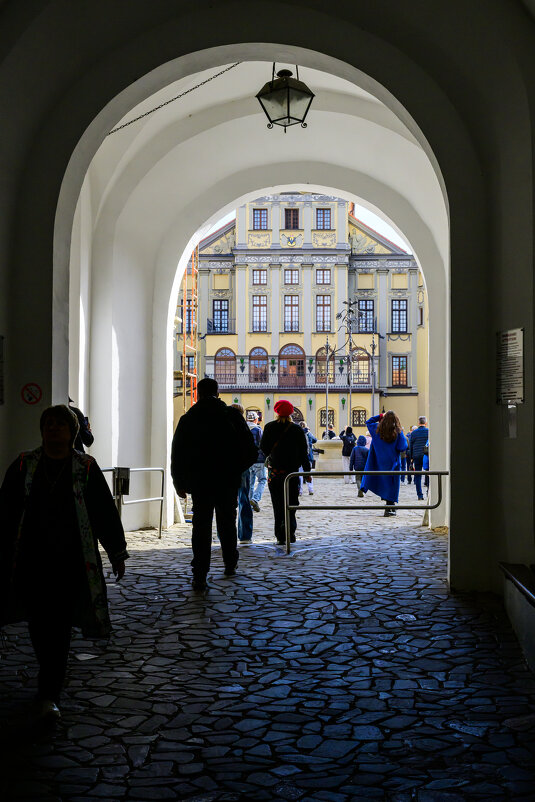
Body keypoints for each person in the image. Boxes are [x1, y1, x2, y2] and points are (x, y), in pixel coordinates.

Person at [0, 405, 128, 721]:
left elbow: (102, 511)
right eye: (49, 424)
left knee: (57, 625)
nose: (54, 429)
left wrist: (116, 550)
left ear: (72, 431)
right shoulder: (23, 465)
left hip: (70, 561)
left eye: (60, 424)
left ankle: (49, 692)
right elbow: (5, 510)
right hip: (31, 559)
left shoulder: (85, 467)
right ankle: (48, 676)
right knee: (39, 623)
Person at [171, 378, 256, 590]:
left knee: (201, 525)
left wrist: (179, 481)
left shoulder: (189, 419)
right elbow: (250, 451)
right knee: (227, 522)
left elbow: (177, 453)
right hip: (226, 480)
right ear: (218, 393)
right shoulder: (232, 416)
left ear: (198, 393)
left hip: (200, 482)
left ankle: (199, 572)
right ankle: (230, 562)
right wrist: (235, 468)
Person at [260, 400, 311, 545]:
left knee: (277, 505)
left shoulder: (269, 427)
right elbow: (303, 453)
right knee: (292, 503)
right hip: (291, 474)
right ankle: (290, 532)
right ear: (291, 413)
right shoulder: (297, 430)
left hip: (275, 473)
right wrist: (307, 472)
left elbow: (263, 447)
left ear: (276, 412)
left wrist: (273, 455)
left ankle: (280, 536)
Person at [360, 411, 408, 516]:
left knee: (383, 482)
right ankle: (391, 507)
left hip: (380, 462)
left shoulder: (377, 430)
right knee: (392, 484)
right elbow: (402, 446)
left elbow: (368, 422)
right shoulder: (398, 432)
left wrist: (381, 415)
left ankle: (388, 506)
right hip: (393, 462)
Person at [231, 403, 254, 543]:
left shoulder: (222, 426)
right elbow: (251, 448)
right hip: (242, 468)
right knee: (244, 500)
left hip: (225, 468)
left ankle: (225, 535)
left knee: (226, 503)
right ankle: (245, 535)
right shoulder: (243, 427)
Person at [248, 413, 267, 512]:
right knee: (262, 480)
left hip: (247, 461)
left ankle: (249, 504)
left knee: (250, 482)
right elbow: (262, 444)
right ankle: (255, 499)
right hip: (259, 459)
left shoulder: (244, 429)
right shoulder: (258, 430)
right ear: (256, 419)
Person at [409, 416, 429, 501]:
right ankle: (429, 491)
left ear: (418, 423)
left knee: (417, 475)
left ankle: (420, 495)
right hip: (427, 455)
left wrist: (411, 458)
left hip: (417, 455)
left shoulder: (413, 433)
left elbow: (411, 447)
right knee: (429, 473)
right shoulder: (429, 431)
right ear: (426, 423)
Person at [299, 420, 316, 495]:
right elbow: (315, 440)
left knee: (299, 475)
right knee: (308, 473)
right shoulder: (309, 434)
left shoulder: (298, 433)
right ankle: (311, 490)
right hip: (308, 456)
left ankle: (300, 491)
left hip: (299, 457)